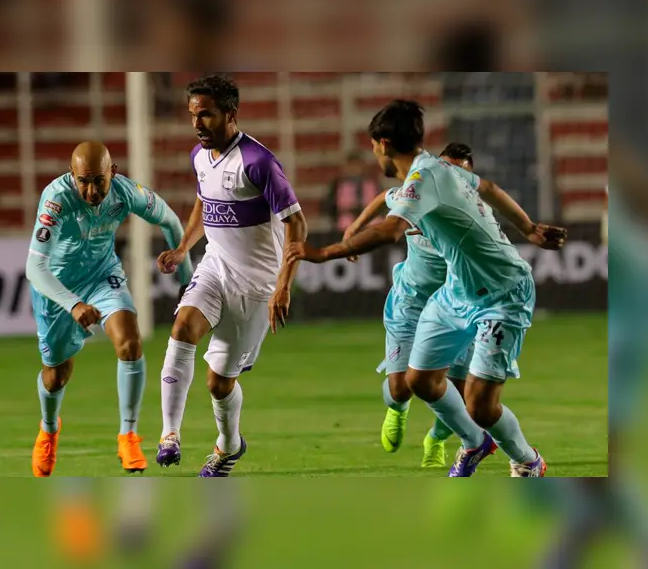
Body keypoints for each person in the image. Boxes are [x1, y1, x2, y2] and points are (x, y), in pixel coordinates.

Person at [287, 100, 566, 477]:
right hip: (455, 293)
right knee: (419, 379)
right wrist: (528, 227)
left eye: (373, 147)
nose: (375, 155)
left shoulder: (423, 178)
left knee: (481, 407)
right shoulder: (439, 169)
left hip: (503, 294)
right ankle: (473, 444)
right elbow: (489, 187)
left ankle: (528, 461)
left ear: (383, 143)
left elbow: (390, 231)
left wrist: (323, 253)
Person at [155, 74, 308, 477]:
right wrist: (184, 248)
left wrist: (283, 285)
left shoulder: (258, 163)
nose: (197, 124)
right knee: (182, 328)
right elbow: (204, 205)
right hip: (215, 267)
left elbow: (298, 225)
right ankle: (169, 435)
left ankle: (230, 445)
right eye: (193, 115)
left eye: (206, 115)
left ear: (230, 114)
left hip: (256, 285)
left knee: (218, 384)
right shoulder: (199, 157)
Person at [25, 141, 193, 476]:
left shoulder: (125, 192)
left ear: (111, 173)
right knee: (57, 375)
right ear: (71, 176)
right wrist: (73, 305)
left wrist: (187, 282)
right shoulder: (56, 199)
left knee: (130, 344)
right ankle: (48, 429)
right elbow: (35, 268)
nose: (90, 190)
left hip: (103, 277)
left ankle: (128, 434)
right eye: (82, 181)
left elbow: (171, 221)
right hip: (58, 289)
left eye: (98, 181)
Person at [342, 142, 487, 468]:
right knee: (402, 386)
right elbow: (384, 197)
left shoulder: (477, 213)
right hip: (412, 300)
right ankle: (397, 407)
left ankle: (435, 439)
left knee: (459, 393)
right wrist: (354, 227)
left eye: (461, 173)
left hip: (456, 307)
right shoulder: (418, 195)